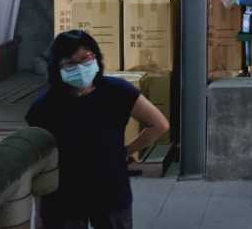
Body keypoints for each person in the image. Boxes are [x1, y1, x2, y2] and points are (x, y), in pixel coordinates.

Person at [27, 30, 170, 229]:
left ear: (96, 57)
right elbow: (38, 159)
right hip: (63, 196)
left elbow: (159, 125)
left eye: (85, 58)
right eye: (70, 63)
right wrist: (39, 210)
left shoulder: (118, 91)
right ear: (57, 67)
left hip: (110, 190)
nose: (80, 67)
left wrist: (126, 151)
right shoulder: (44, 107)